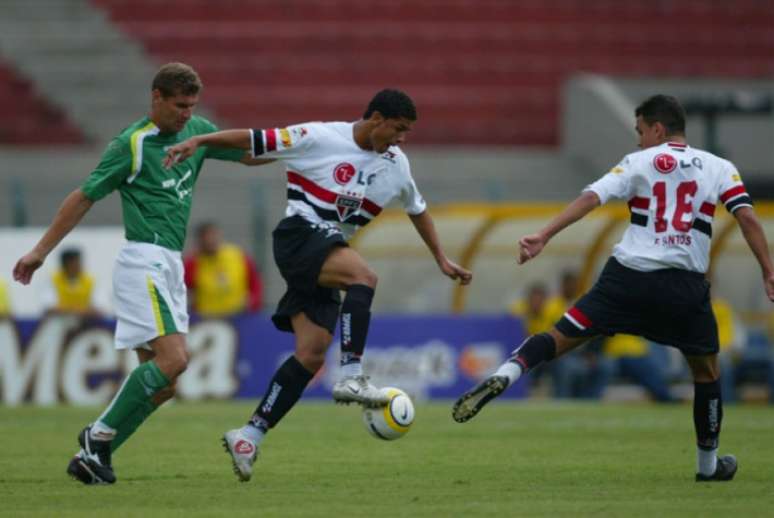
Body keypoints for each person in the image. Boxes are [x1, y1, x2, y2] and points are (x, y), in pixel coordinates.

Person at [452, 94, 774, 482]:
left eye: (640, 131)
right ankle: (708, 467)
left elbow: (592, 198)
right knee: (706, 373)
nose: (638, 141)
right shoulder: (720, 167)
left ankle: (508, 371)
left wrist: (543, 235)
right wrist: (768, 271)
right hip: (682, 286)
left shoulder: (636, 162)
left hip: (624, 280)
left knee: (560, 335)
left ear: (657, 128)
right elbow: (748, 220)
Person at [164, 88, 473, 482]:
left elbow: (418, 209)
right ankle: (352, 375)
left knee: (310, 354)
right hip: (299, 235)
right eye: (398, 129)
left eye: (407, 132)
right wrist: (200, 140)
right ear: (376, 118)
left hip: (327, 251)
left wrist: (441, 258)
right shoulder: (320, 138)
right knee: (364, 277)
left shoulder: (396, 164)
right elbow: (254, 140)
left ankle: (249, 435)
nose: (402, 138)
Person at [12, 62, 271, 485]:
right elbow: (84, 196)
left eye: (192, 106)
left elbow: (248, 154)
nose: (187, 114)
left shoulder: (197, 132)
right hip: (143, 260)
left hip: (168, 264)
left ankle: (92, 457)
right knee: (175, 360)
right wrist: (41, 251)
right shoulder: (131, 144)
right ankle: (98, 437)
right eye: (180, 105)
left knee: (164, 384)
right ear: (157, 98)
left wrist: (305, 149)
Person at [184, 221, 263, 317]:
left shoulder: (238, 256)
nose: (211, 240)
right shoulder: (193, 262)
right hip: (206, 318)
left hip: (238, 315)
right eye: (207, 237)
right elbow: (183, 289)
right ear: (200, 240)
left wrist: (253, 304)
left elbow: (255, 284)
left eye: (213, 235)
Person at [44, 248, 98, 317]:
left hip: (86, 321)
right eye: (71, 264)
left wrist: (70, 310)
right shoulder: (52, 280)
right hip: (60, 320)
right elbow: (49, 308)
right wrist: (78, 311)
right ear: (64, 265)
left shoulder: (91, 281)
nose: (76, 266)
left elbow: (99, 309)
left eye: (77, 263)